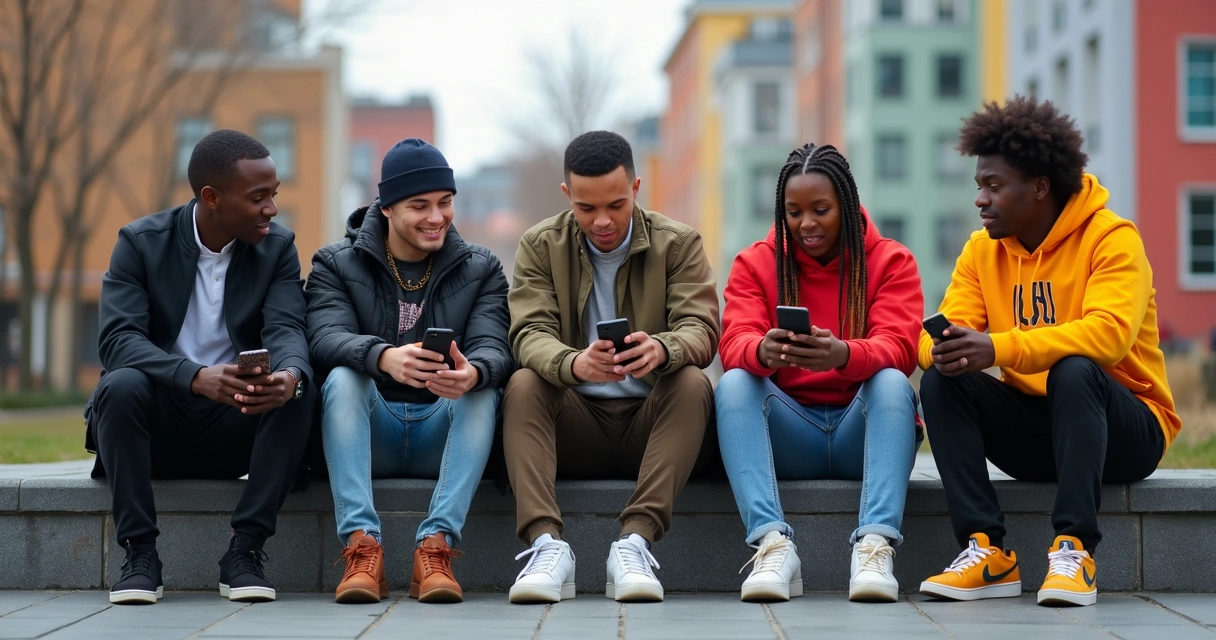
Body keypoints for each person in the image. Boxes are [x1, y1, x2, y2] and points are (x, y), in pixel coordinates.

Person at [917, 96, 1181, 607]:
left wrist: (997, 347)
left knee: (1075, 369)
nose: (981, 200)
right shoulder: (981, 251)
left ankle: (1075, 550)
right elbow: (930, 340)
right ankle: (986, 551)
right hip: (1038, 432)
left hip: (1125, 428)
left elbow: (1108, 335)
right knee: (941, 381)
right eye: (979, 187)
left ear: (1039, 187)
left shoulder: (1112, 239)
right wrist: (943, 352)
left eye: (994, 187)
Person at [87, 130, 313, 605]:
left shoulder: (277, 249)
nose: (271, 208)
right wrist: (193, 375)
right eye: (258, 198)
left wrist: (289, 376)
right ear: (212, 197)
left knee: (298, 390)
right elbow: (117, 340)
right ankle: (140, 554)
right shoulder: (140, 243)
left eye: (274, 195)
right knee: (121, 385)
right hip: (156, 425)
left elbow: (289, 329)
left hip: (237, 424)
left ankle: (245, 553)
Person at [503, 131, 720, 604]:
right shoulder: (540, 245)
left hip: (656, 428)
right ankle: (546, 548)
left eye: (617, 205)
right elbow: (526, 334)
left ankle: (635, 544)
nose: (602, 221)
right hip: (574, 427)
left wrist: (662, 350)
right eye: (586, 208)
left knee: (691, 381)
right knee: (523, 384)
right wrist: (574, 363)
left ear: (637, 187)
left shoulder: (678, 244)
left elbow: (701, 328)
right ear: (567, 196)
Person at [304, 139, 512, 604]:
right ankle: (362, 546)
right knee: (343, 376)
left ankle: (435, 547)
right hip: (367, 430)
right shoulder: (335, 264)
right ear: (388, 208)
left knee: (484, 388)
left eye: (445, 203)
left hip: (443, 432)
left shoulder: (481, 269)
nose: (436, 217)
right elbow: (321, 338)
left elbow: (496, 347)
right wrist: (383, 357)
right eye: (420, 205)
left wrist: (472, 373)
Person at [715, 143, 924, 603]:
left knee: (892, 381)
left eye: (821, 210)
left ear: (846, 206)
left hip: (862, 433)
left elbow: (902, 347)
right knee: (734, 383)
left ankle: (874, 546)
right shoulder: (755, 263)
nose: (806, 223)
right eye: (793, 212)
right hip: (789, 437)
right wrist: (762, 350)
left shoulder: (891, 261)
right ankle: (772, 546)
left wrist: (843, 355)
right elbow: (732, 344)